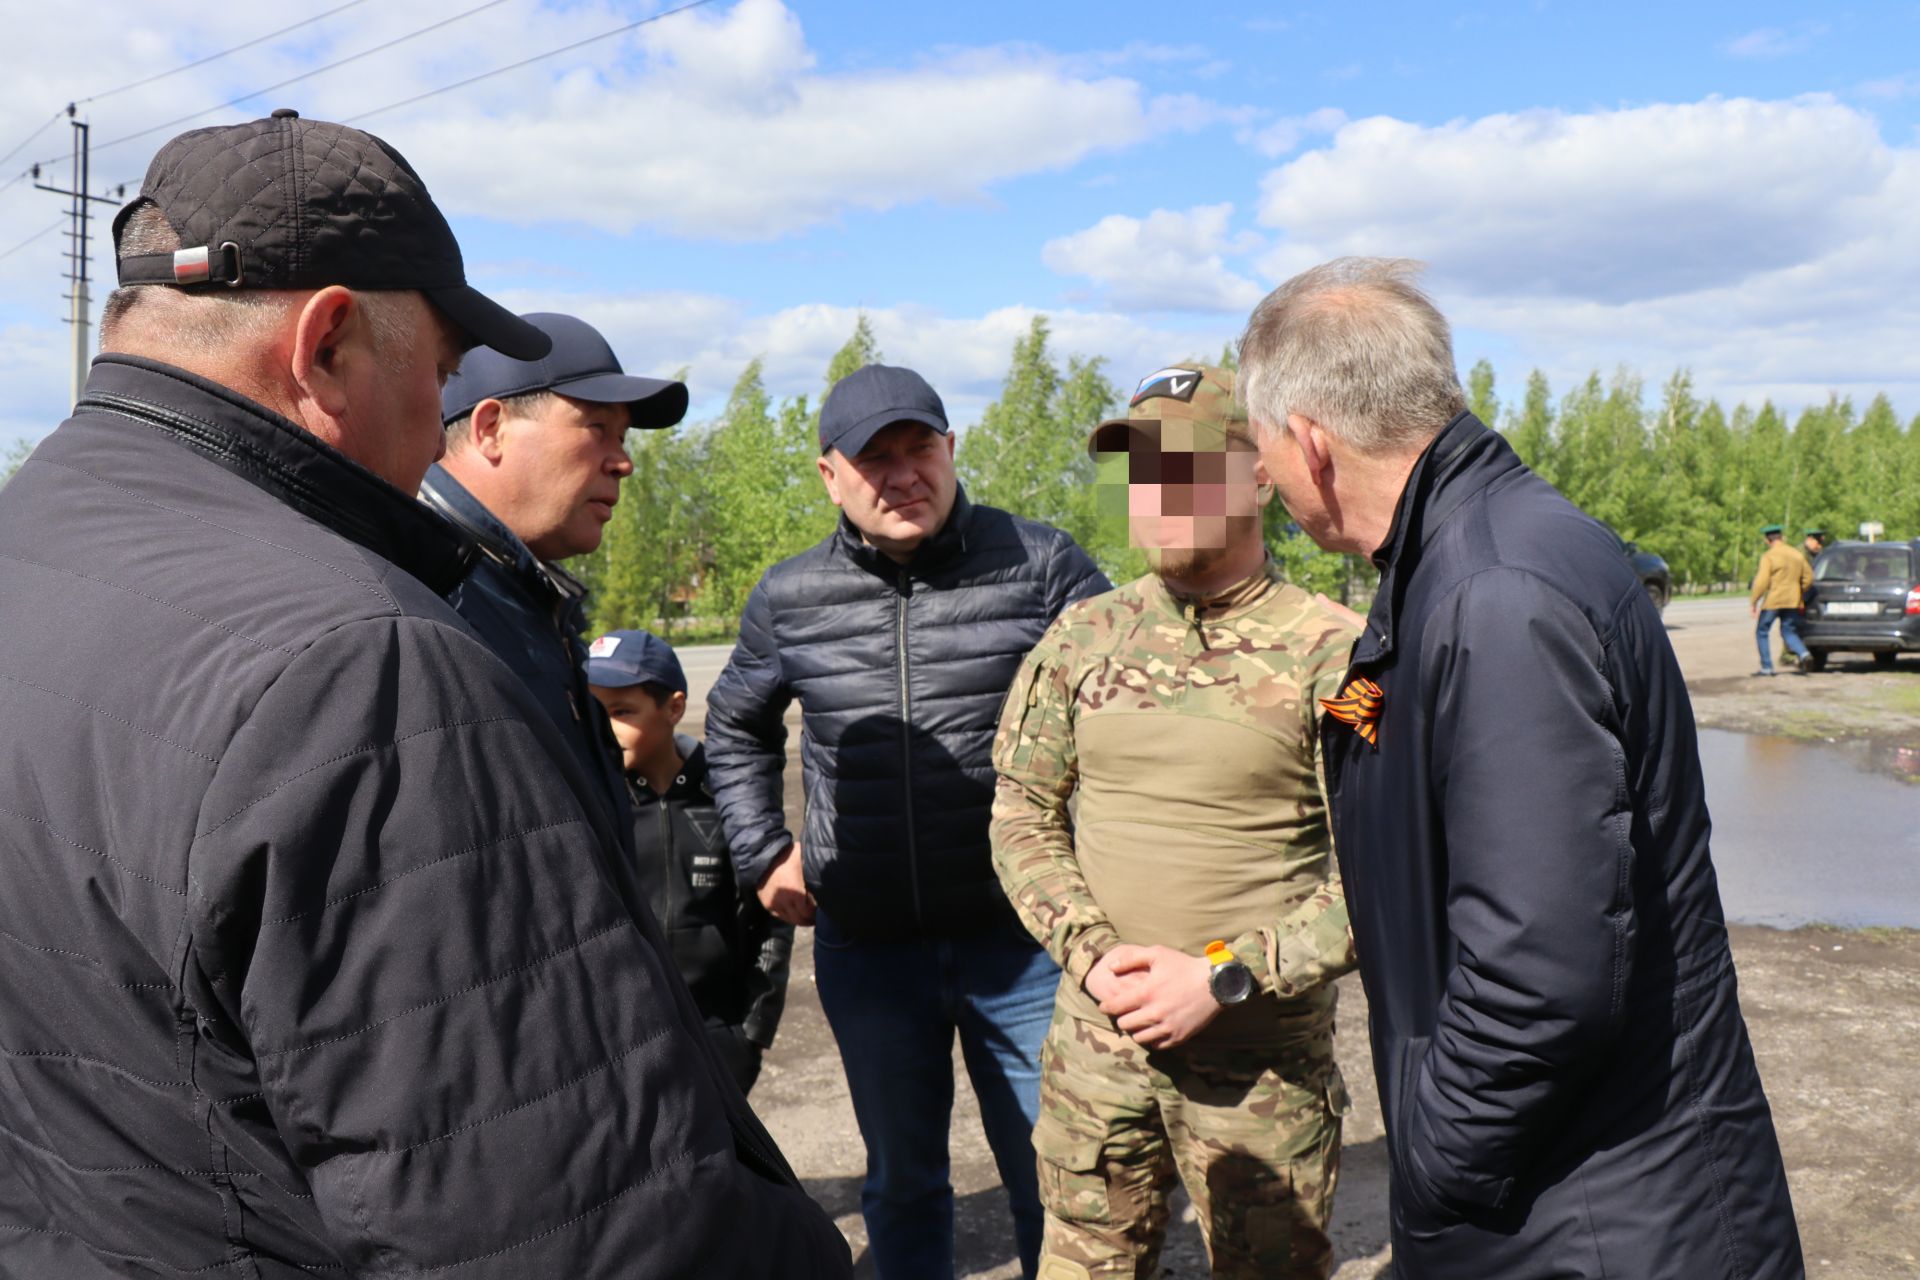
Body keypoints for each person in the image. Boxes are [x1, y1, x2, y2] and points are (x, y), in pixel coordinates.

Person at [0, 111, 849, 1278]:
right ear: (330, 341)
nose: (435, 431)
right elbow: (573, 1230)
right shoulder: (361, 661)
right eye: (442, 372)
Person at [1238, 257, 1803, 1278]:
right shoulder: (1458, 559)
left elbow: (1540, 975)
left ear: (1311, 441)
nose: (1263, 482)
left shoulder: (1496, 592)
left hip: (1589, 1214)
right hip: (1577, 1191)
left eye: (1264, 451)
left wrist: (1440, 1161)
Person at [704, 363, 1110, 1279]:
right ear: (829, 475)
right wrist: (764, 848)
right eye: (873, 458)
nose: (902, 475)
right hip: (870, 949)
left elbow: (1129, 710)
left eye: (918, 448)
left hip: (1023, 945)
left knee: (1056, 1173)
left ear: (951, 449)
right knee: (903, 1182)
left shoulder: (1042, 565)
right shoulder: (790, 596)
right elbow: (734, 723)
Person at [991, 365, 1358, 1280]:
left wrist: (1223, 978)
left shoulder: (1337, 655)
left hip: (1259, 1074)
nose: (1162, 492)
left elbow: (1389, 871)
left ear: (1261, 473)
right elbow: (1020, 812)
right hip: (1094, 1057)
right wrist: (1089, 953)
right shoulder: (1082, 637)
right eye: (1145, 470)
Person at [425, 311, 688, 816]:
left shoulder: (523, 601)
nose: (624, 462)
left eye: (624, 437)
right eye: (597, 427)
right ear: (491, 429)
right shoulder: (427, 603)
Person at [587, 628, 794, 1094]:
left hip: (717, 1038)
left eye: (622, 712)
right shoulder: (587, 804)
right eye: (593, 713)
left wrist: (751, 1033)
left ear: (674, 707)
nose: (605, 730)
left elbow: (771, 918)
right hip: (620, 1042)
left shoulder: (730, 797)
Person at [1751, 523, 1814, 677]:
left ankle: (1767, 667)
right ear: (1782, 538)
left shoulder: (1769, 556)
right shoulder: (1796, 554)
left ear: (1767, 540)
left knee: (1762, 631)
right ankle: (1804, 653)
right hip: (1793, 601)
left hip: (1774, 600)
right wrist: (1799, 591)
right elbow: (1808, 578)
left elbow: (1762, 581)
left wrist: (1754, 601)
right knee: (1788, 631)